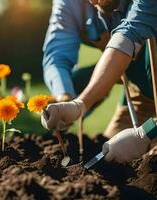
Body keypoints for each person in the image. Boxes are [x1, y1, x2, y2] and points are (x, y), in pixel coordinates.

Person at [42, 0, 157, 163]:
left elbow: (131, 33)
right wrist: (68, 100)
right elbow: (57, 56)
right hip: (140, 92)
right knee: (112, 158)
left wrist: (146, 133)